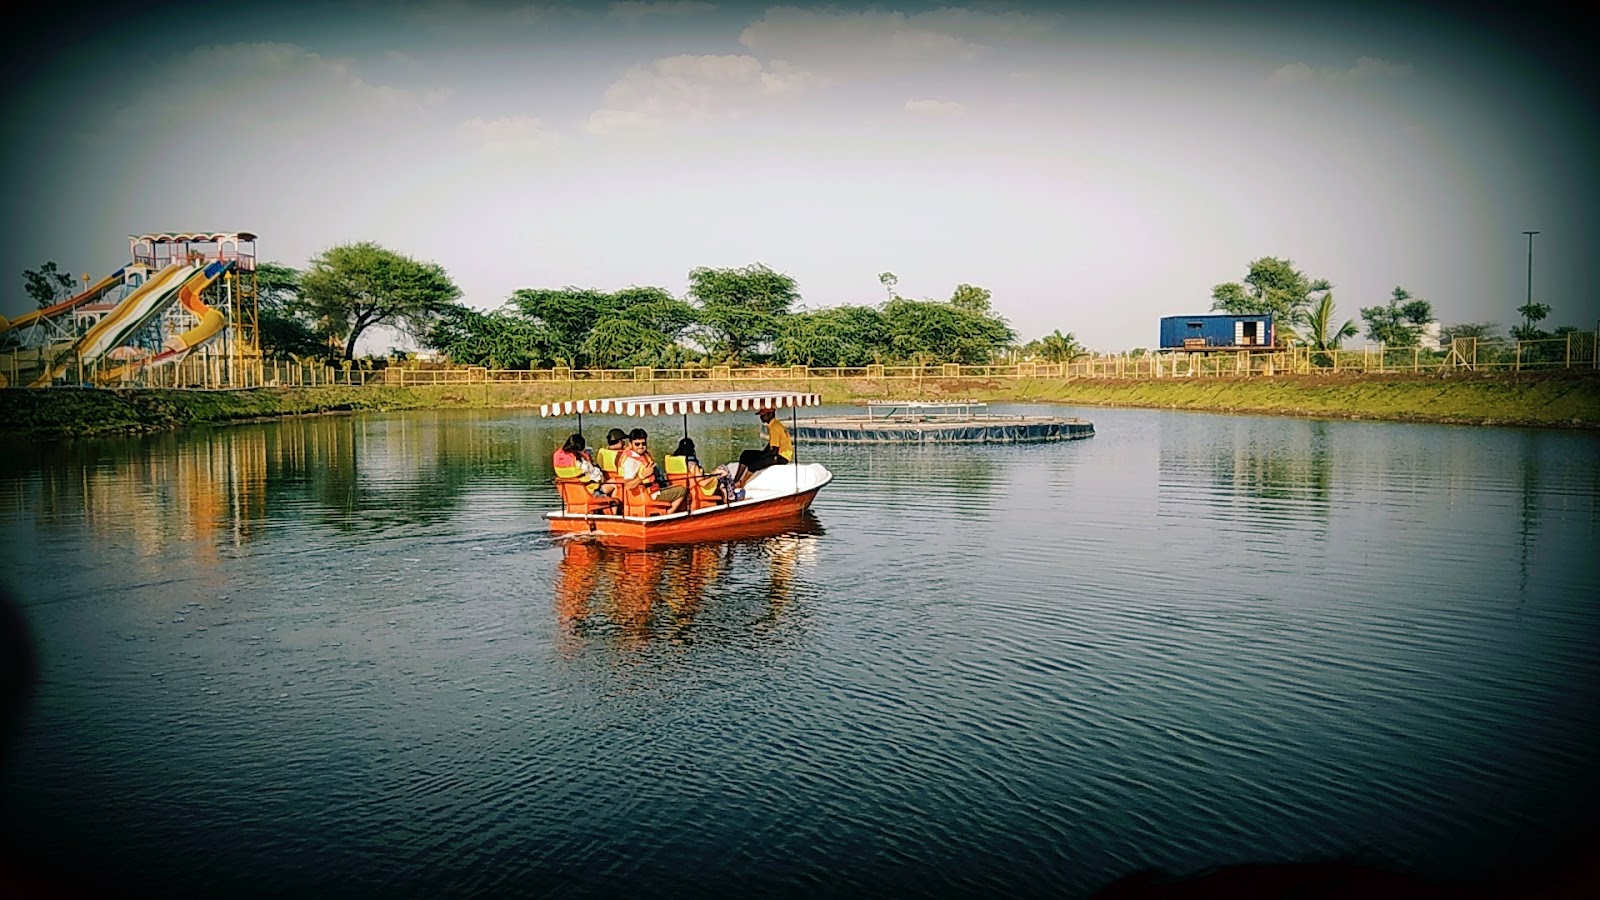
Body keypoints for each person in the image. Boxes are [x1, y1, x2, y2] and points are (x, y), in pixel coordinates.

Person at [622, 428, 687, 514]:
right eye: (637, 444)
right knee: (682, 490)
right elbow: (627, 486)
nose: (641, 447)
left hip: (650, 491)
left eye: (643, 444)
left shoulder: (642, 456)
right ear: (630, 444)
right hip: (650, 495)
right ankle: (668, 514)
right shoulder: (631, 462)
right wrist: (642, 476)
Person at [737, 407, 792, 487]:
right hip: (777, 453)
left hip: (781, 457)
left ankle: (742, 482)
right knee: (746, 454)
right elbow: (771, 445)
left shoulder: (774, 428)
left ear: (770, 414)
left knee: (755, 464)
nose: (761, 417)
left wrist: (761, 457)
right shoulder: (775, 424)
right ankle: (736, 479)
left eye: (763, 415)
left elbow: (774, 450)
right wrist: (762, 454)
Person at [664, 437, 726, 504]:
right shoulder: (692, 465)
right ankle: (729, 499)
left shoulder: (674, 463)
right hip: (698, 491)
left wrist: (714, 472)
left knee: (719, 471)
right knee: (723, 476)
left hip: (681, 489)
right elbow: (703, 483)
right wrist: (716, 476)